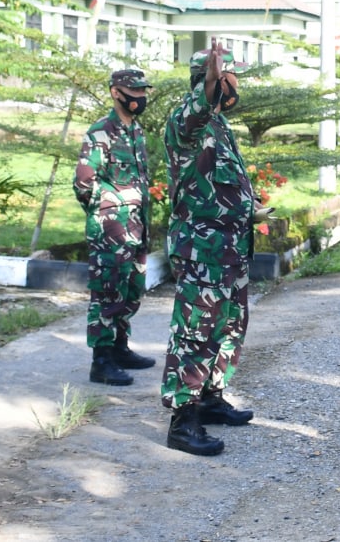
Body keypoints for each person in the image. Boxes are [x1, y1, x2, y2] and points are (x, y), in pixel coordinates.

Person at [162, 43, 255, 457]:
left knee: (231, 326)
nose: (237, 86)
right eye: (230, 78)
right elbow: (193, 114)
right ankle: (184, 420)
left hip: (229, 250)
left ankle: (212, 398)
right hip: (202, 250)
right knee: (196, 332)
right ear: (213, 82)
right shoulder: (189, 121)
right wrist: (210, 84)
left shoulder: (219, 126)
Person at [73, 67, 157, 388]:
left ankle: (120, 348)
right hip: (110, 231)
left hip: (136, 230)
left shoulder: (136, 132)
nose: (140, 98)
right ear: (116, 93)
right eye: (133, 92)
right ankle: (101, 360)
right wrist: (112, 207)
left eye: (143, 92)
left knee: (131, 290)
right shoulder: (100, 133)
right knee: (107, 294)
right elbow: (83, 183)